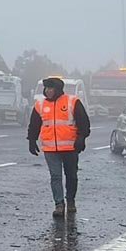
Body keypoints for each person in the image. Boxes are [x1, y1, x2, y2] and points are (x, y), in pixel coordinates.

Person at [28, 77, 91, 218]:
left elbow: (84, 122)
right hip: (50, 149)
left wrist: (81, 138)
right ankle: (59, 204)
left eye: (51, 88)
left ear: (58, 89)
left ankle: (71, 200)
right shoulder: (40, 104)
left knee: (71, 176)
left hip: (70, 148)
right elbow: (34, 124)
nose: (48, 91)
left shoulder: (72, 102)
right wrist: (31, 140)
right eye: (47, 88)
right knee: (55, 177)